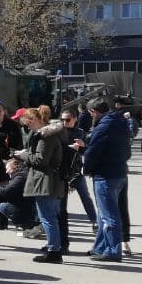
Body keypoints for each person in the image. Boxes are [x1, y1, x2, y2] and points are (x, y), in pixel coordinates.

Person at [15, 106, 66, 263]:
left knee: (48, 217)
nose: (26, 126)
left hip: (45, 181)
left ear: (35, 120)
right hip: (50, 180)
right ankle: (54, 247)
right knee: (50, 217)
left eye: (27, 123)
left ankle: (54, 251)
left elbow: (40, 160)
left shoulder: (45, 137)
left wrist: (23, 155)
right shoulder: (47, 134)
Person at [83, 98, 129, 262]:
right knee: (104, 214)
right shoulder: (120, 123)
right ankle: (100, 247)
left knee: (109, 215)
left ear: (94, 111)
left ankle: (112, 250)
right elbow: (127, 150)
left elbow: (93, 151)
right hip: (119, 172)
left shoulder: (102, 127)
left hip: (105, 174)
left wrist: (86, 168)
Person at [58, 107, 97, 251]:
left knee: (85, 197)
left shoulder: (80, 132)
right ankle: (62, 242)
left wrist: (83, 146)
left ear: (75, 119)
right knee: (61, 207)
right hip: (61, 173)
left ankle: (94, 221)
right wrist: (69, 148)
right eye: (62, 119)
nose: (64, 122)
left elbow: (88, 151)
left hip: (75, 171)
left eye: (67, 120)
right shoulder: (58, 132)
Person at [0, 158, 37, 230]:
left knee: (2, 206)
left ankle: (24, 223)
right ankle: (23, 223)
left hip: (26, 208)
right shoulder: (21, 175)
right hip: (27, 205)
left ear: (15, 167)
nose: (6, 172)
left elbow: (6, 192)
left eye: (8, 169)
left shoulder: (20, 176)